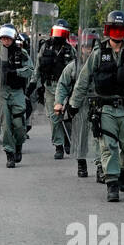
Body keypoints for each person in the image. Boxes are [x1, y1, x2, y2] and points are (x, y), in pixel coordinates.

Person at [69, 10, 124, 203]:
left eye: (121, 29)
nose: (117, 33)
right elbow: (83, 80)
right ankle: (112, 183)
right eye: (114, 29)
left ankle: (123, 170)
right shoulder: (98, 54)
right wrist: (73, 105)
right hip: (105, 109)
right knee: (108, 147)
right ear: (109, 30)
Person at [0, 23, 33, 168]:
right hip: (2, 91)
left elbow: (30, 70)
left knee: (19, 123)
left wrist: (16, 72)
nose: (5, 41)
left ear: (13, 38)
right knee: (6, 125)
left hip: (17, 91)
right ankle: (9, 153)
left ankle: (19, 145)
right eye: (3, 38)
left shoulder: (22, 53)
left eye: (8, 38)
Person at [55, 31, 93, 179]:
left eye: (91, 46)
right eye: (85, 47)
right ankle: (81, 162)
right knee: (81, 134)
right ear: (80, 48)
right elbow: (62, 85)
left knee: (101, 136)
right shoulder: (73, 66)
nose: (88, 50)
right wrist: (59, 102)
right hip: (79, 104)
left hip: (100, 102)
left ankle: (101, 166)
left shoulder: (102, 64)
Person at [34, 19, 74, 160]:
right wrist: (34, 84)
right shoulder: (45, 48)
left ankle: (69, 140)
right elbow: (38, 67)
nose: (58, 36)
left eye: (62, 33)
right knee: (54, 117)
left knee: (68, 117)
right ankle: (59, 145)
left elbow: (76, 70)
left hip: (65, 88)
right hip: (50, 87)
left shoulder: (70, 50)